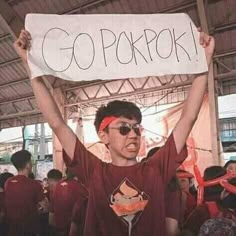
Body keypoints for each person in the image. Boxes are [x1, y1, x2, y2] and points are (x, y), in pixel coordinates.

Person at [14, 27, 214, 236]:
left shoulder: (156, 169)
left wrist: (204, 62)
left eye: (137, 128)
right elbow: (57, 123)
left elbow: (188, 117)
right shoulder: (94, 171)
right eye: (124, 128)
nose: (133, 134)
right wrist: (29, 65)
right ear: (104, 136)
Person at [4, 150, 47, 236]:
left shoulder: (8, 182)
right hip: (30, 228)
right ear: (28, 165)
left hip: (12, 228)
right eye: (30, 161)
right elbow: (45, 207)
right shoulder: (34, 184)